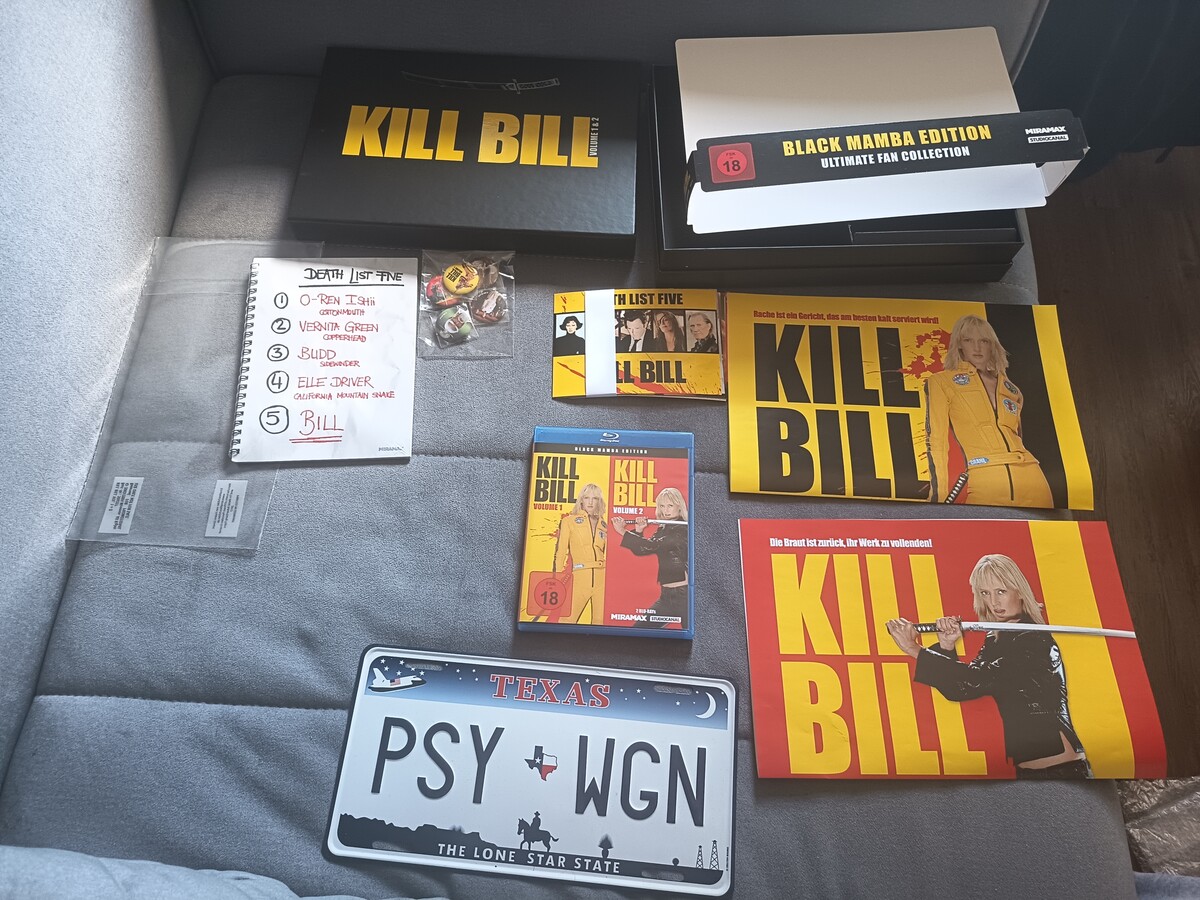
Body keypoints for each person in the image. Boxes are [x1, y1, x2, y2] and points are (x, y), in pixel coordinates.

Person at [885, 554, 1090, 778]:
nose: (994, 602)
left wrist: (914, 649)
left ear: (1020, 591)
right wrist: (946, 645)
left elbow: (977, 678)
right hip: (1028, 772)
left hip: (1063, 772)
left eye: (1001, 591)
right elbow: (962, 689)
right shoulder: (996, 638)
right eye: (985, 593)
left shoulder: (1034, 640)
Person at [923, 314, 1053, 507]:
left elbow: (1018, 436)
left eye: (984, 341)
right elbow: (936, 441)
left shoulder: (1012, 389)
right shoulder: (941, 381)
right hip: (985, 476)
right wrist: (938, 499)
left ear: (992, 345)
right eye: (968, 340)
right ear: (959, 345)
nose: (977, 348)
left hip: (1034, 477)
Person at [610, 487, 689, 630]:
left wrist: (623, 531)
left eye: (670, 505)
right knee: (638, 631)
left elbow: (652, 545)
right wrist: (639, 530)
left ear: (679, 506)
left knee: (692, 638)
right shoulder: (663, 528)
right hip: (666, 597)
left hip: (685, 597)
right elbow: (643, 550)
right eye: (662, 506)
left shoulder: (682, 529)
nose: (666, 510)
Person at [552, 483, 607, 625]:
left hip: (602, 579)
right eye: (587, 497)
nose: (590, 502)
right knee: (567, 620)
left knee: (600, 622)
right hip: (579, 577)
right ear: (581, 500)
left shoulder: (604, 525)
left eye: (595, 498)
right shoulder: (569, 521)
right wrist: (557, 578)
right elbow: (561, 551)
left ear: (599, 501)